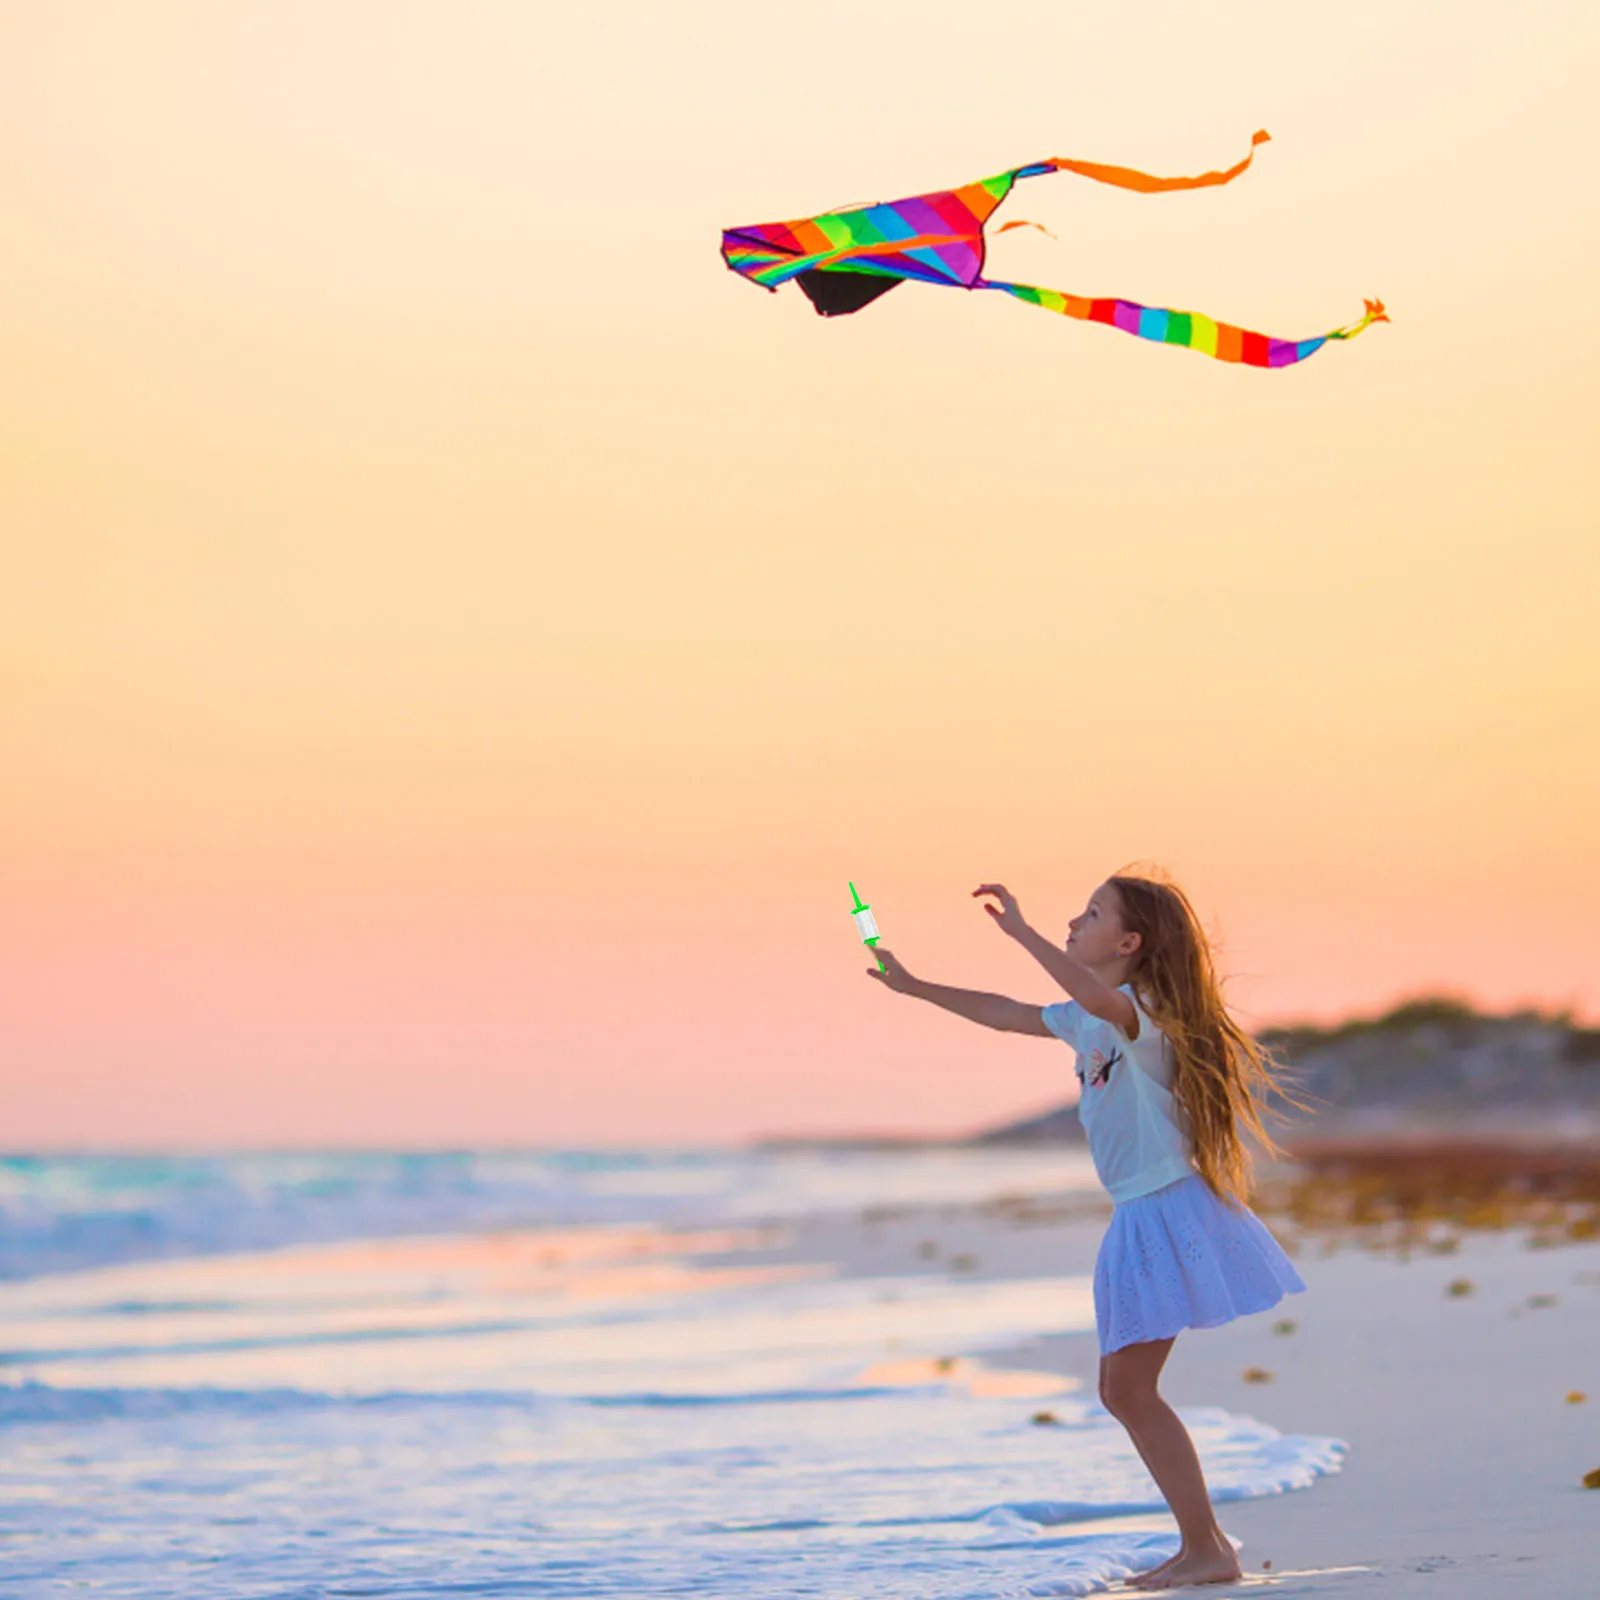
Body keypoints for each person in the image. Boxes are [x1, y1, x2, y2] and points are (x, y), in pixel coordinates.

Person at [866, 869, 1313, 1591]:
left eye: (1091, 914)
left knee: (1130, 1391)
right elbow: (1006, 1012)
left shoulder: (1143, 1011)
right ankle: (1201, 1543)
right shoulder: (1092, 1018)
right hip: (1141, 1214)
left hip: (1165, 1208)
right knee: (1126, 1391)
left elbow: (1097, 998)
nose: (1075, 922)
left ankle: (1208, 1549)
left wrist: (1021, 932)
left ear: (1129, 942)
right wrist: (913, 985)